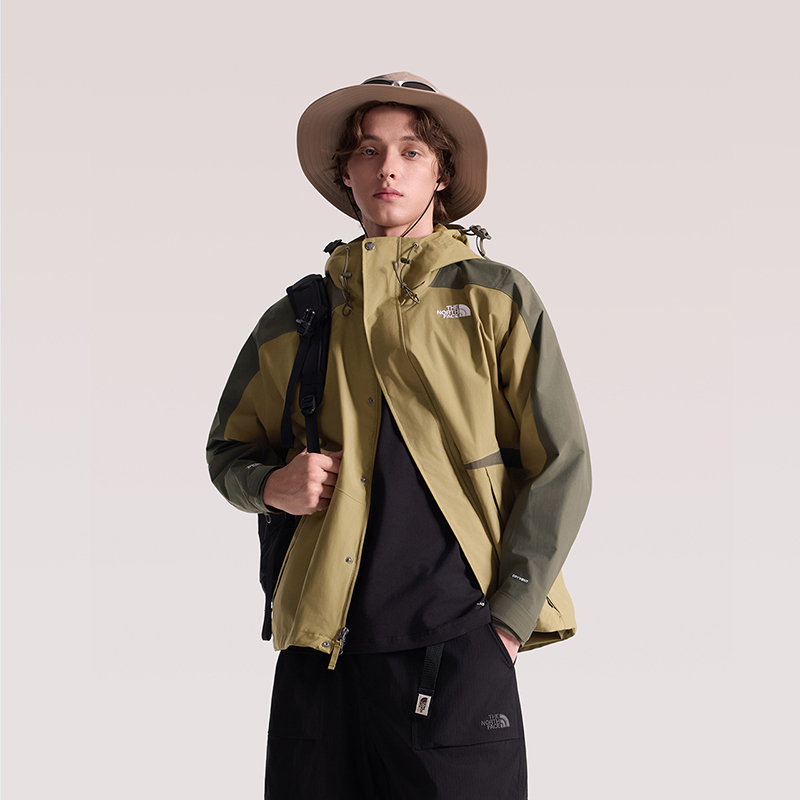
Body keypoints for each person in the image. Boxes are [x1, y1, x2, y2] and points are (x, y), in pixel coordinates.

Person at [207, 72, 591, 800]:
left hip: (458, 644)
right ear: (344, 174)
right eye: (368, 150)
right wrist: (270, 485)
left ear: (440, 173)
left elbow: (562, 462)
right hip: (319, 656)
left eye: (411, 151)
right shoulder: (297, 319)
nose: (388, 167)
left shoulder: (492, 296)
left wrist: (507, 622)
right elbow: (228, 451)